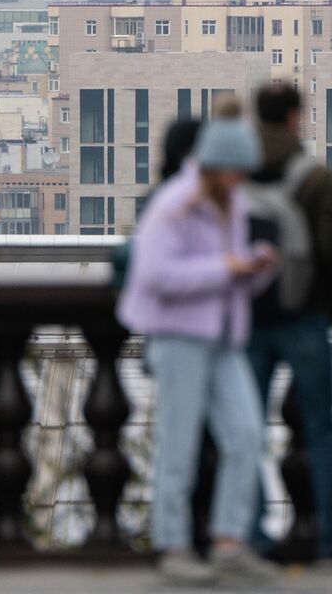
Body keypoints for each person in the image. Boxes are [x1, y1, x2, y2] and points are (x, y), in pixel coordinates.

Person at [116, 112, 284, 587]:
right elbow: (155, 277)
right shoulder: (173, 205)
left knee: (247, 435)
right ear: (215, 164)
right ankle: (174, 545)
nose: (242, 179)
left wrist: (256, 268)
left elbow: (226, 279)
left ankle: (229, 542)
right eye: (237, 169)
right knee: (179, 442)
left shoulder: (230, 202)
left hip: (222, 336)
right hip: (178, 337)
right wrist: (226, 267)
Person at [245, 82, 332, 560]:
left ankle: (250, 531)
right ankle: (330, 534)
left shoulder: (231, 174)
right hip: (304, 313)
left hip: (245, 315)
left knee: (245, 429)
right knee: (321, 427)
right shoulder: (315, 177)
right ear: (293, 116)